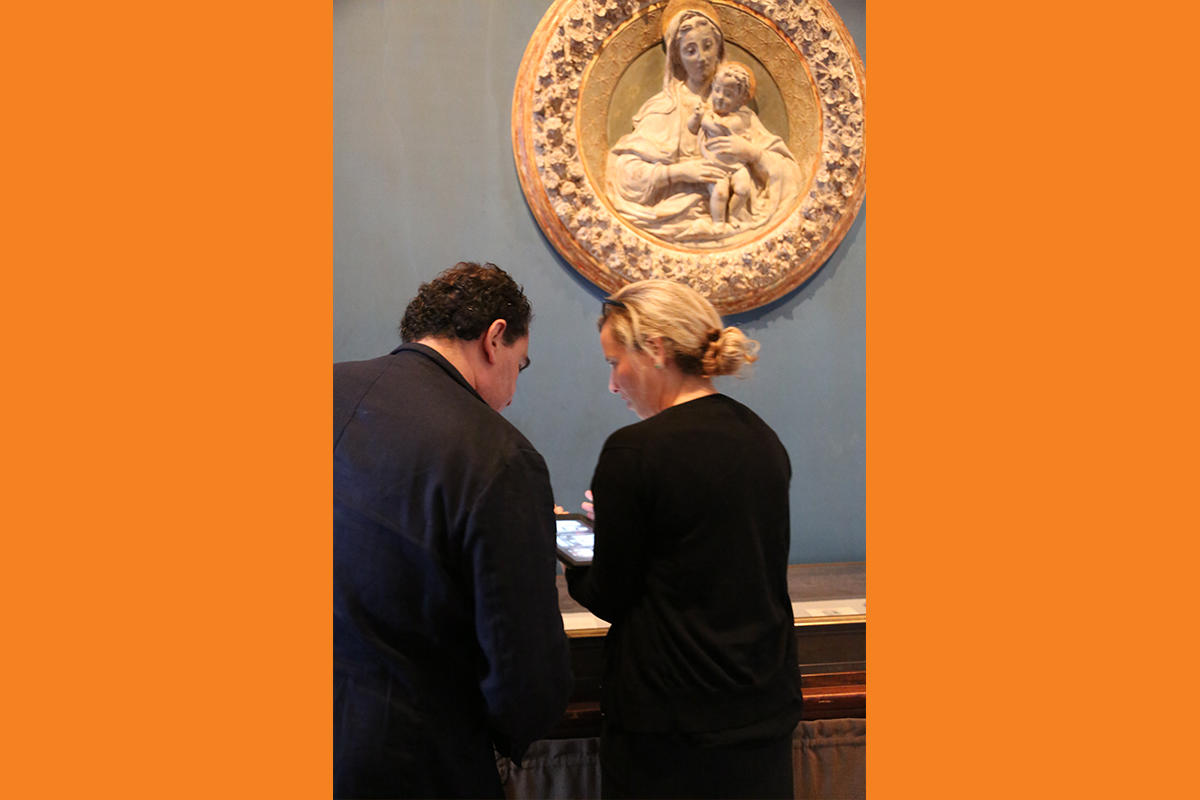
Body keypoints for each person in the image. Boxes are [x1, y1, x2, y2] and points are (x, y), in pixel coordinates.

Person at [333, 262, 572, 798]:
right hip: (413, 761)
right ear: (494, 339)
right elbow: (521, 666)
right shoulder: (498, 454)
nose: (510, 394)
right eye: (520, 364)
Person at [565, 279, 802, 799]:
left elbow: (610, 594)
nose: (612, 384)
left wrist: (582, 555)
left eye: (612, 363)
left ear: (654, 349)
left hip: (668, 728)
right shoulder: (761, 437)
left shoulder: (634, 451)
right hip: (762, 712)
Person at [605, 0, 802, 244]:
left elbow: (790, 175)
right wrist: (678, 172)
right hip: (673, 215)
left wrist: (752, 153)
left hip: (734, 220)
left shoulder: (740, 113)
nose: (701, 58)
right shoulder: (664, 108)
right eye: (690, 50)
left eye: (707, 46)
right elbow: (622, 173)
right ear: (677, 57)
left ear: (719, 48)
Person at [687, 61, 758, 230]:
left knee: (743, 189)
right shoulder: (707, 113)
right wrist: (696, 117)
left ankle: (732, 215)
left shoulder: (737, 120)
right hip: (715, 164)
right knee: (720, 193)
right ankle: (718, 222)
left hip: (736, 165)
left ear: (740, 101)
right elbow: (692, 128)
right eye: (717, 90)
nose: (719, 97)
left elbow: (714, 127)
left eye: (728, 94)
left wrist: (704, 118)